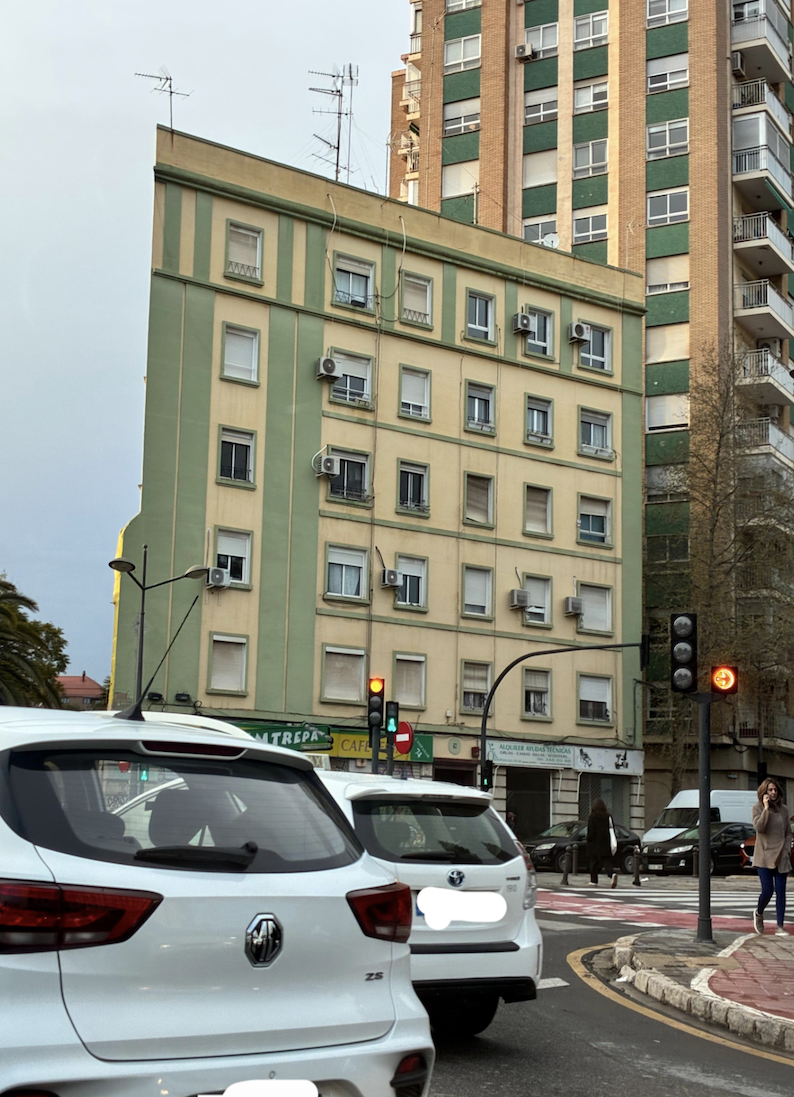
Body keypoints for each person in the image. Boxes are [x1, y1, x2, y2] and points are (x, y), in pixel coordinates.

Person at [752, 778, 792, 935]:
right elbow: (759, 828)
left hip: (781, 856)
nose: (773, 792)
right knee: (767, 891)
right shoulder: (757, 808)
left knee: (781, 892)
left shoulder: (784, 810)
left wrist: (787, 849)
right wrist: (766, 808)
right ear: (764, 792)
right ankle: (759, 912)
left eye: (775, 790)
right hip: (764, 856)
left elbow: (788, 832)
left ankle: (780, 926)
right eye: (770, 790)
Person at [586, 798, 618, 888]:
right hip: (605, 843)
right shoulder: (607, 817)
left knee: (594, 862)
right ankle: (612, 874)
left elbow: (591, 832)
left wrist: (588, 839)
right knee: (606, 861)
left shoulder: (593, 817)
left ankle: (593, 880)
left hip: (594, 843)